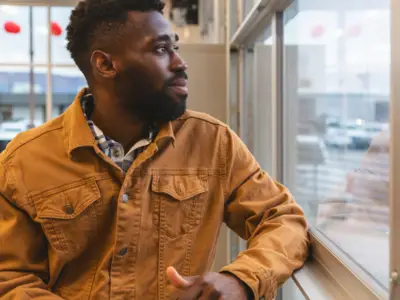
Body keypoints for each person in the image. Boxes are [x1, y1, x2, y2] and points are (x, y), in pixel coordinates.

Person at [0, 1, 309, 299]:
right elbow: (10, 278)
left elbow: (284, 220)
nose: (180, 62)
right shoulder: (23, 162)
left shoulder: (213, 143)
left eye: (175, 47)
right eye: (161, 49)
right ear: (105, 64)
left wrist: (241, 280)